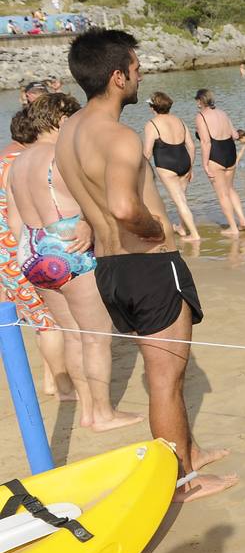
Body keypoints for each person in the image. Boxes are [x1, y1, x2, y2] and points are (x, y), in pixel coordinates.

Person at [56, 30, 235, 501]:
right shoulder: (117, 136)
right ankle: (182, 482)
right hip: (149, 265)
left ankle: (190, 454)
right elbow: (120, 206)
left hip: (111, 270)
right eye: (135, 69)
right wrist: (155, 228)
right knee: (167, 380)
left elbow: (92, 203)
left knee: (164, 375)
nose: (140, 76)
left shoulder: (69, 132)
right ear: (117, 77)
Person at [7, 93, 143, 434]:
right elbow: (95, 201)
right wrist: (85, 224)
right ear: (60, 120)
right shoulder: (60, 156)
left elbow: (13, 222)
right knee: (96, 336)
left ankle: (86, 409)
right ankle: (102, 414)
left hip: (32, 248)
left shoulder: (17, 163)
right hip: (66, 244)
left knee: (71, 334)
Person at [0, 107, 72, 400]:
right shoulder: (21, 163)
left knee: (43, 322)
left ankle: (52, 381)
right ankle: (63, 386)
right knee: (50, 323)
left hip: (6, 255)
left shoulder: (4, 160)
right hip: (18, 251)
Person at [143, 92, 200, 241]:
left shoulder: (152, 124)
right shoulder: (179, 121)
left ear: (153, 107)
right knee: (183, 199)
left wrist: (139, 170)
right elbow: (192, 146)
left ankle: (194, 235)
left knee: (180, 201)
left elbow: (147, 152)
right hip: (185, 162)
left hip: (167, 166)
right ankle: (181, 228)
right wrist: (191, 168)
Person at [195, 89, 245, 237]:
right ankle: (243, 220)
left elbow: (206, 142)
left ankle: (233, 228)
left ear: (200, 101)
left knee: (222, 194)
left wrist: (205, 164)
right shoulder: (223, 113)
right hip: (230, 151)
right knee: (230, 188)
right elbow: (235, 135)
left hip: (215, 154)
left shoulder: (201, 117)